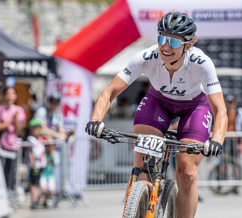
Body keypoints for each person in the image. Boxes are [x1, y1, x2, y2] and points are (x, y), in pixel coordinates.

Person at [85, 12, 227, 218]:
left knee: (186, 172)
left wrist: (216, 140)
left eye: (173, 42)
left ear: (188, 45)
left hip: (194, 107)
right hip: (158, 102)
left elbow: (220, 109)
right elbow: (109, 92)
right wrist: (96, 120)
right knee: (142, 163)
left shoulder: (201, 63)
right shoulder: (145, 57)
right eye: (161, 38)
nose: (165, 47)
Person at [0, 87, 26, 190]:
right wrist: (10, 121)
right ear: (3, 95)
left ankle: (9, 191)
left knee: (11, 171)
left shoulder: (19, 110)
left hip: (13, 145)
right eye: (7, 93)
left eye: (12, 94)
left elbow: (19, 131)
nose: (9, 96)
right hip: (0, 144)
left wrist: (15, 120)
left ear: (16, 96)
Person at [27, 119, 47, 209]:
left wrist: (44, 130)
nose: (37, 130)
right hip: (35, 165)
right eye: (35, 128)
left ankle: (37, 200)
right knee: (34, 183)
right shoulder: (30, 139)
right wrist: (33, 163)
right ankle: (33, 200)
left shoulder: (41, 138)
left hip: (42, 164)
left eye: (39, 128)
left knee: (42, 184)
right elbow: (30, 152)